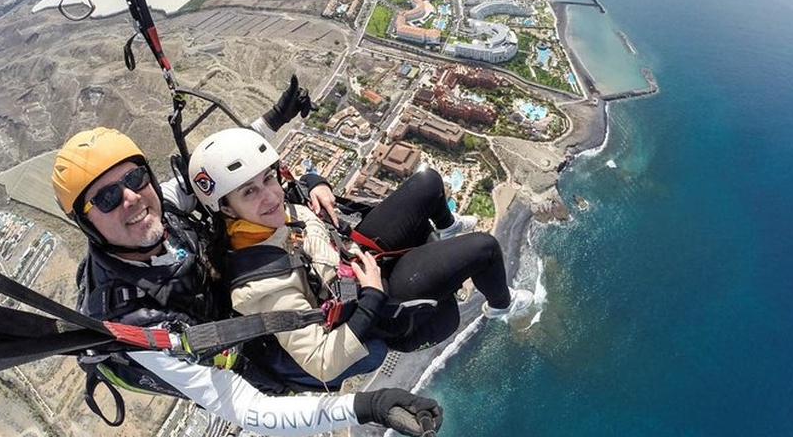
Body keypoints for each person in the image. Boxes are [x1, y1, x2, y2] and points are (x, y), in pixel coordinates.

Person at [50, 126, 442, 437]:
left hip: (266, 302)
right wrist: (368, 407)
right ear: (85, 223)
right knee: (379, 348)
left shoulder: (161, 204)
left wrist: (275, 124)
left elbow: (224, 175)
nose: (131, 198)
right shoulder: (134, 326)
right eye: (106, 199)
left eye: (135, 177)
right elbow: (252, 410)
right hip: (266, 361)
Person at [186, 128, 535, 389]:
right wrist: (371, 297)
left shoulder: (263, 214)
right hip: (379, 305)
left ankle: (447, 227)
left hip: (353, 259)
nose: (271, 195)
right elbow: (321, 363)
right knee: (485, 249)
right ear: (225, 210)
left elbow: (293, 189)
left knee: (428, 181)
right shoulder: (261, 284)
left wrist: (315, 182)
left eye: (268, 179)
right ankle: (503, 307)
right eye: (250, 191)